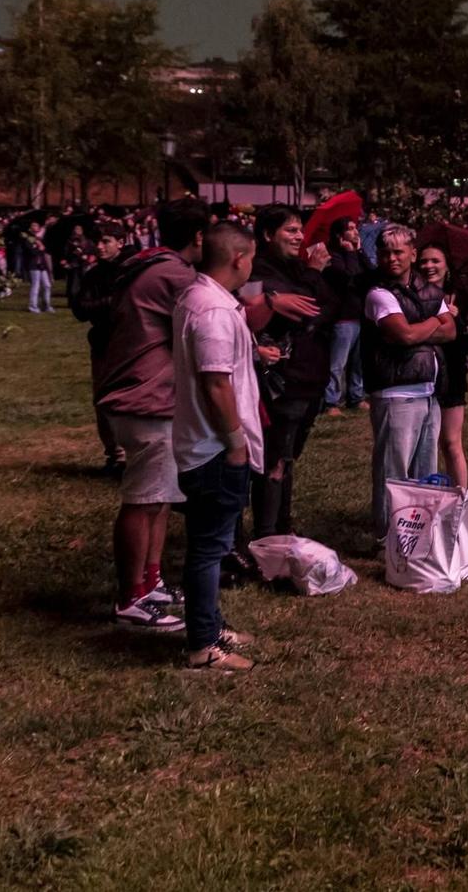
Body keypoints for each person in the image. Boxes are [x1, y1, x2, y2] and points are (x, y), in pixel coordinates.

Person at [95, 198, 210, 631]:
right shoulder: (174, 275)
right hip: (147, 399)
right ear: (198, 236)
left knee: (159, 497)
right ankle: (131, 597)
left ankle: (150, 580)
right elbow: (212, 314)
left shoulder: (152, 265)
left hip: (147, 395)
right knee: (142, 500)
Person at [169, 221, 265, 671]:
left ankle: (209, 625)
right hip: (213, 448)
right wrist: (235, 442)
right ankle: (203, 646)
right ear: (238, 258)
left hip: (202, 444)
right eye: (252, 257)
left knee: (212, 544)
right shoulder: (213, 311)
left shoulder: (200, 298)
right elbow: (216, 383)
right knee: (208, 548)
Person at [362, 225, 455, 528]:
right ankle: (386, 535)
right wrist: (434, 320)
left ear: (412, 254)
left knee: (424, 472)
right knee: (393, 472)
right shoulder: (379, 294)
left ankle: (416, 533)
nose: (391, 258)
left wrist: (421, 329)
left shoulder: (429, 290)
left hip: (429, 392)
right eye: (385, 253)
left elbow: (451, 331)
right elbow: (404, 335)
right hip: (395, 393)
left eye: (398, 252)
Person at [246, 205, 330, 538]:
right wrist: (311, 275)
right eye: (290, 230)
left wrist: (313, 274)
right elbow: (305, 310)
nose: (299, 237)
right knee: (275, 459)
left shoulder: (297, 268)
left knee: (287, 457)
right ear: (268, 234)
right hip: (281, 382)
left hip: (308, 379)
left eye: (300, 230)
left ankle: (282, 526)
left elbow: (325, 306)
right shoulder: (257, 272)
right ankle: (267, 534)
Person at [418, 245, 468, 493]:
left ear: (447, 265)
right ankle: (420, 500)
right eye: (424, 261)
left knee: (450, 442)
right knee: (423, 446)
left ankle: (459, 501)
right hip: (420, 375)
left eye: (435, 261)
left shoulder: (461, 297)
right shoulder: (411, 294)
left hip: (451, 376)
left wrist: (456, 319)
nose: (429, 266)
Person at [70, 224, 129, 470]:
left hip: (129, 342)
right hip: (104, 341)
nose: (100, 247)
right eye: (98, 242)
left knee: (129, 398)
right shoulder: (93, 275)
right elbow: (80, 308)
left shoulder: (131, 271)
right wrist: (109, 302)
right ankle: (116, 454)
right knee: (104, 399)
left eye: (106, 241)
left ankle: (132, 452)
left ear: (120, 242)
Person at [321, 217, 369, 415]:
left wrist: (359, 251)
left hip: (360, 315)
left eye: (356, 227)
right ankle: (330, 402)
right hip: (343, 317)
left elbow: (370, 274)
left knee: (359, 362)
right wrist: (350, 253)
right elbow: (350, 278)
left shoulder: (355, 255)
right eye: (350, 228)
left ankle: (356, 396)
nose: (356, 231)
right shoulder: (332, 258)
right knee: (337, 364)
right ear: (339, 235)